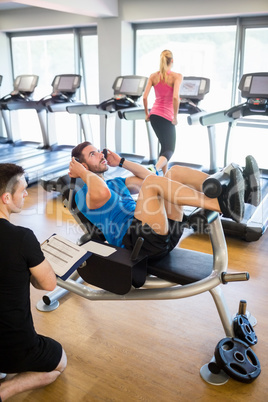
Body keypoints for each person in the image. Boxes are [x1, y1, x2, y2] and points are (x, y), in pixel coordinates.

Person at [69, 141, 260, 261]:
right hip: (137, 243)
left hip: (161, 233)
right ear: (82, 165)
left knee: (173, 172)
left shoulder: (116, 182)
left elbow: (149, 176)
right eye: (93, 154)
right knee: (152, 184)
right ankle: (222, 206)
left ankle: (242, 195)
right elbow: (101, 191)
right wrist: (82, 173)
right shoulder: (83, 194)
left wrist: (121, 162)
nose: (101, 154)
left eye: (98, 151)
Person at [0, 164, 67, 402]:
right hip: (14, 346)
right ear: (7, 198)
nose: (27, 194)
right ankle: (5, 391)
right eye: (23, 190)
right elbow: (48, 285)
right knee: (60, 362)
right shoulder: (22, 237)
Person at [143, 49, 183, 174]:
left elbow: (144, 97)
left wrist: (146, 114)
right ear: (172, 61)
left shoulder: (153, 76)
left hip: (154, 116)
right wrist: (175, 117)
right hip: (166, 117)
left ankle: (165, 178)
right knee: (170, 149)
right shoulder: (176, 76)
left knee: (164, 146)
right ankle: (154, 169)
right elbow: (175, 97)